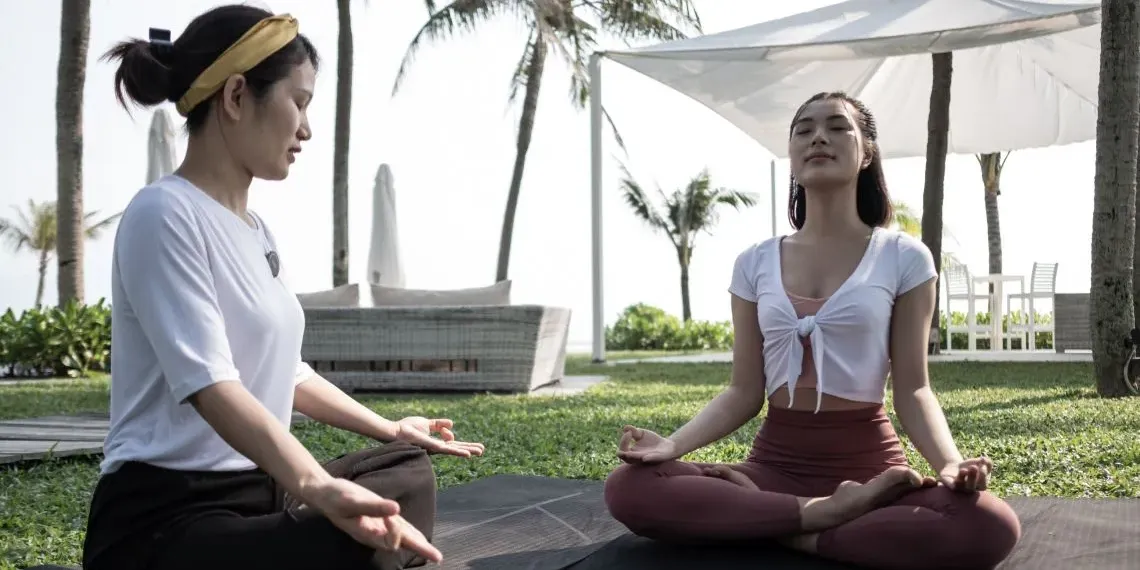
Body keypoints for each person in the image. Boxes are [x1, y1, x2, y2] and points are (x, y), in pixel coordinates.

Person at [82, 6, 485, 570]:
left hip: (262, 492)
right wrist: (319, 488)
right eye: (299, 102)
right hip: (169, 515)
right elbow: (212, 384)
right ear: (236, 95)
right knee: (354, 535)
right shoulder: (163, 213)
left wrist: (391, 427)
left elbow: (289, 373)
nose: (306, 128)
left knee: (405, 471)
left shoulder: (256, 231)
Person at [602, 91, 1022, 570]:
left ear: (866, 152)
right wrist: (673, 445)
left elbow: (915, 388)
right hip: (770, 468)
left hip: (870, 471)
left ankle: (790, 530)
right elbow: (743, 391)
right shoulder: (754, 262)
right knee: (629, 488)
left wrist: (948, 463)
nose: (818, 136)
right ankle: (817, 517)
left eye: (837, 127)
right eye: (803, 129)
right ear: (793, 157)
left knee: (990, 524)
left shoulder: (903, 257)